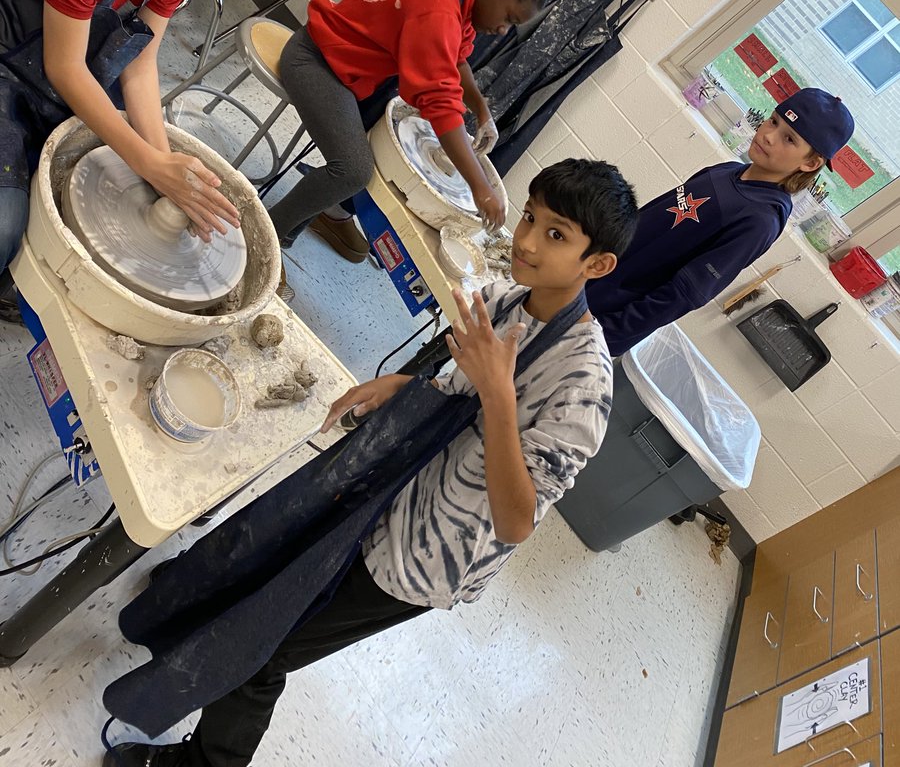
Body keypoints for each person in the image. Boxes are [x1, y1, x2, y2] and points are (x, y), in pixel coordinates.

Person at [102, 158, 638, 767]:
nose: (527, 241)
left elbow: (516, 521)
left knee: (263, 651)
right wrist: (401, 386)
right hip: (389, 494)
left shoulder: (584, 388)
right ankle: (187, 611)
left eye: (556, 234)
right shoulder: (506, 301)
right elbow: (454, 394)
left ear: (597, 265)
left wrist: (499, 395)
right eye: (531, 218)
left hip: (424, 555)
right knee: (268, 572)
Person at [0, 0, 275, 312]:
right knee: (6, 224)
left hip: (62, 38)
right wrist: (147, 160)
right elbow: (64, 67)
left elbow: (140, 57)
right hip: (11, 31)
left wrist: (163, 167)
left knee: (92, 178)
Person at [267, 0, 549, 260]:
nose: (503, 30)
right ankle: (268, 237)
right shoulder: (438, 3)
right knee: (354, 170)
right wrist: (481, 188)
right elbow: (440, 104)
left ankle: (321, 217)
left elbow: (456, 58)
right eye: (510, 18)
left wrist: (481, 109)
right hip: (316, 60)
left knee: (375, 145)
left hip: (349, 70)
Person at [587, 88, 855, 357]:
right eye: (774, 121)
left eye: (789, 139)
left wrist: (599, 336)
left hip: (596, 318)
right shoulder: (727, 170)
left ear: (810, 163)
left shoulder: (761, 221)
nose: (768, 136)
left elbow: (682, 295)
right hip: (586, 276)